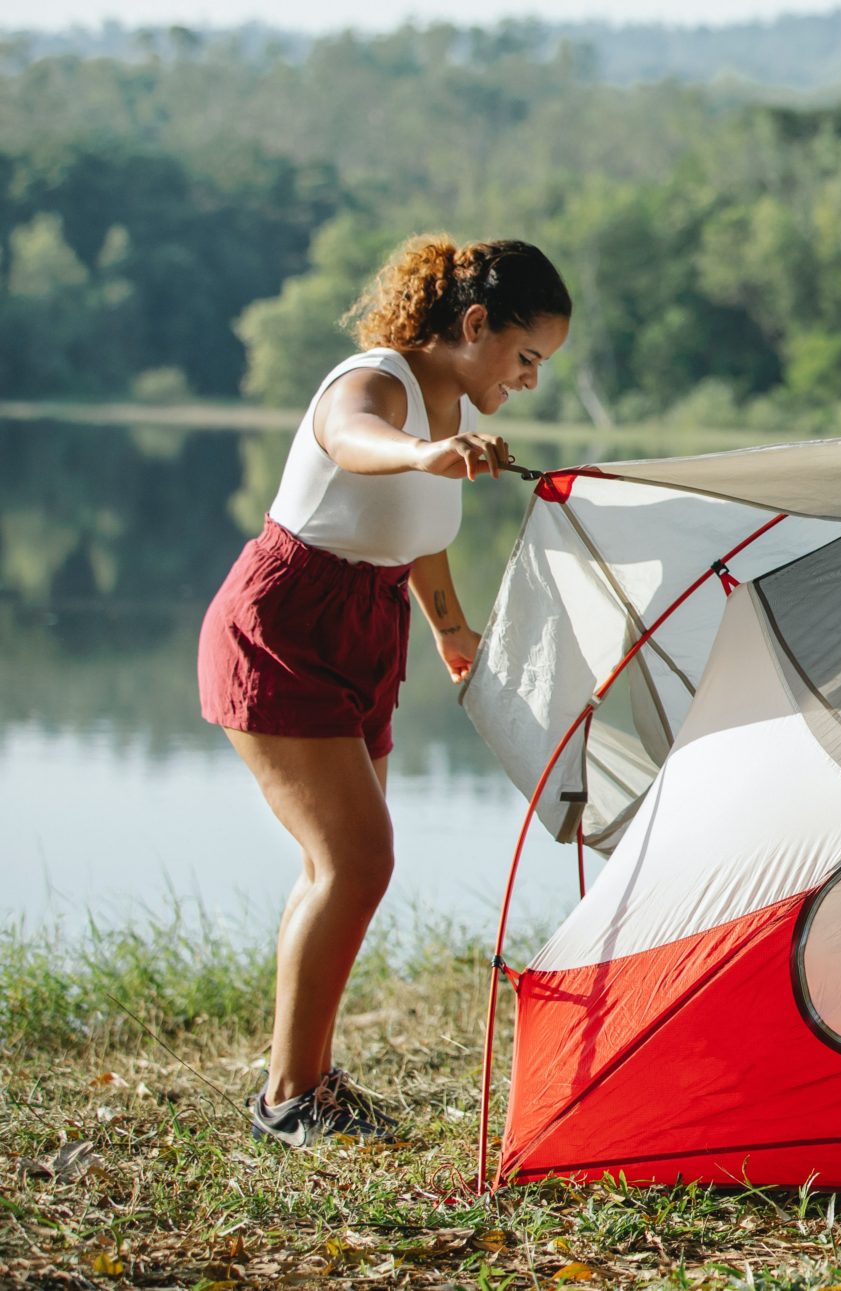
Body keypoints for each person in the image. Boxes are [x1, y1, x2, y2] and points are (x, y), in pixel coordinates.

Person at [197, 235, 571, 1147]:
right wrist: (418, 453)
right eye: (525, 357)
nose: (528, 380)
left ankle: (302, 1084)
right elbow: (351, 440)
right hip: (287, 620)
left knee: (341, 866)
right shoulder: (374, 382)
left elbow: (418, 533)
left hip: (367, 628)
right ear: (475, 323)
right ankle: (291, 1098)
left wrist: (449, 627)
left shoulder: (450, 408)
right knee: (358, 862)